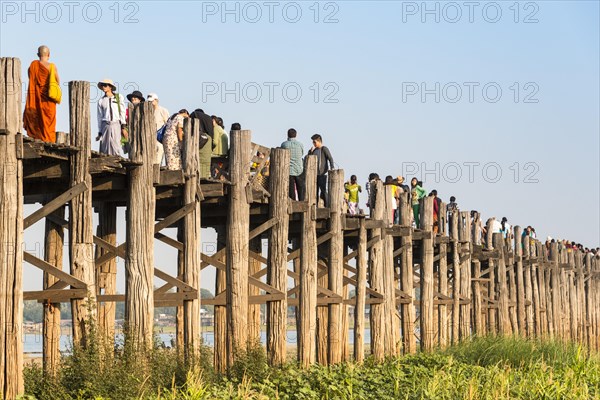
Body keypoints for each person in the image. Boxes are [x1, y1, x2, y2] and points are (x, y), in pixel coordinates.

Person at [23, 45, 60, 143]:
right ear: (49, 55)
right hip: (49, 100)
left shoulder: (32, 66)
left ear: (38, 54)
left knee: (38, 118)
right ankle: (49, 140)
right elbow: (57, 82)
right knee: (49, 121)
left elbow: (31, 79)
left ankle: (38, 137)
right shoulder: (52, 66)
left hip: (37, 99)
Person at [96, 79, 126, 156]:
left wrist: (123, 126)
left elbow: (122, 112)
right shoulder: (101, 100)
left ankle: (116, 159)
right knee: (105, 145)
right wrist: (99, 131)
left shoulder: (118, 97)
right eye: (103, 85)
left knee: (116, 145)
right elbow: (99, 116)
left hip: (116, 123)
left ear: (110, 87)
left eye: (105, 85)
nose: (104, 87)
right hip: (105, 124)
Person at [308, 134, 334, 207]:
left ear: (319, 141)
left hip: (322, 174)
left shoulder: (324, 149)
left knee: (323, 190)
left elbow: (330, 158)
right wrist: (310, 152)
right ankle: (315, 206)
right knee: (315, 191)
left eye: (314, 142)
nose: (313, 144)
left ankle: (327, 206)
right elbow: (309, 158)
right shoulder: (314, 150)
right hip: (315, 174)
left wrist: (332, 167)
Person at [281, 128, 304, 200]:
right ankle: (301, 203)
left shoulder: (284, 144)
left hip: (289, 169)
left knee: (291, 190)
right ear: (296, 135)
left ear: (287, 135)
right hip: (299, 169)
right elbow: (302, 154)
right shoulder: (300, 144)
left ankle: (292, 203)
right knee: (300, 189)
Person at [191, 109, 215, 178]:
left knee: (196, 162)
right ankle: (205, 177)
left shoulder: (194, 114)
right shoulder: (208, 119)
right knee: (206, 163)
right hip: (208, 142)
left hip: (199, 139)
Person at [147, 93, 170, 165]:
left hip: (159, 138)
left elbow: (168, 124)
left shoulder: (163, 110)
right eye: (149, 102)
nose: (150, 103)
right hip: (149, 137)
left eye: (151, 101)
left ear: (156, 101)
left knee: (159, 154)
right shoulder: (147, 112)